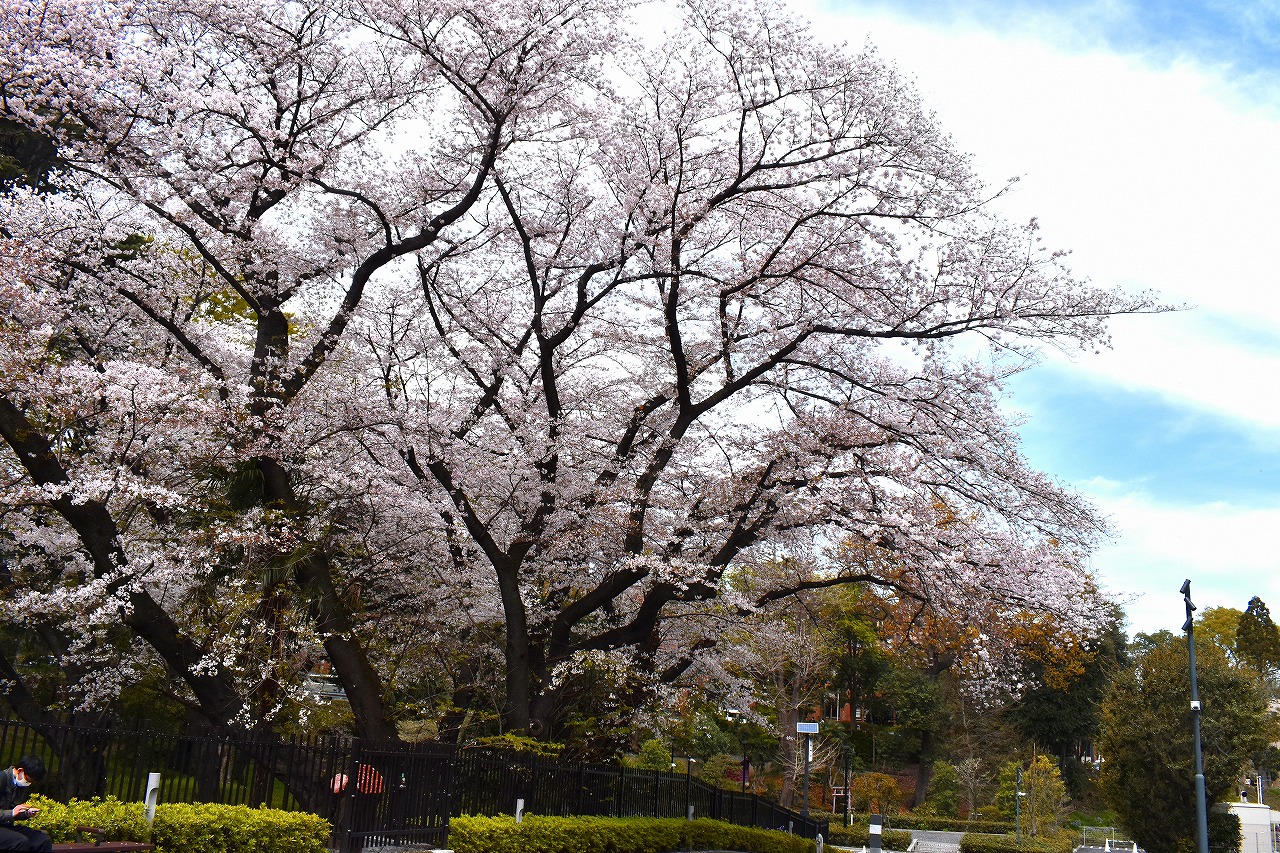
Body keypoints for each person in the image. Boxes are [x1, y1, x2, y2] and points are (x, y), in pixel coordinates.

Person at [0, 756, 51, 852]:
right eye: (28, 780)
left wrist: (25, 813)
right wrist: (11, 813)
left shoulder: (18, 785)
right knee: (20, 841)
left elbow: (14, 811)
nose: (29, 783)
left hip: (6, 826)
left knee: (43, 840)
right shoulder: (2, 779)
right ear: (20, 770)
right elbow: (11, 812)